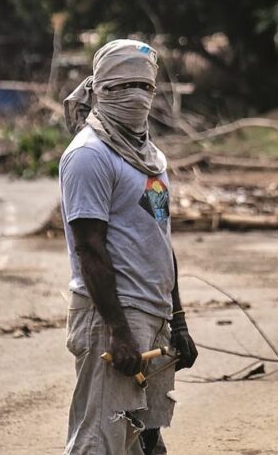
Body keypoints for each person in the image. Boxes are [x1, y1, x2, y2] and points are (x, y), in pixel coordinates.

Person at [59, 39, 197, 455]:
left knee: (146, 442)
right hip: (111, 319)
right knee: (98, 443)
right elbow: (90, 250)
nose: (137, 96)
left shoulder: (150, 158)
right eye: (124, 86)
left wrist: (178, 320)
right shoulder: (88, 156)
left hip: (152, 318)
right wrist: (118, 332)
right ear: (100, 89)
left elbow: (160, 236)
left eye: (146, 86)